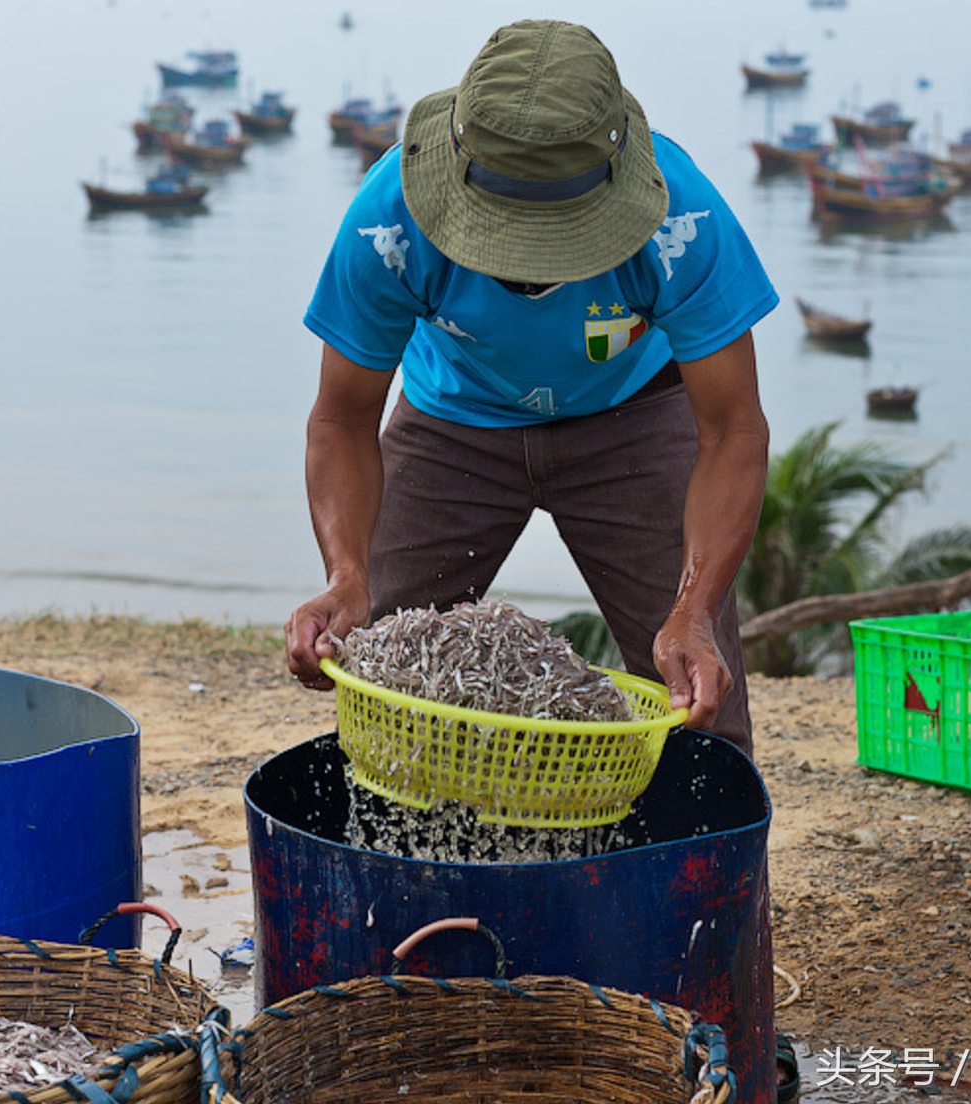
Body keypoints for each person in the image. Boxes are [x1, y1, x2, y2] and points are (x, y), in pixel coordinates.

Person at [283, 18, 777, 755]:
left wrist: (695, 606)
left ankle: (701, 868)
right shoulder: (389, 222)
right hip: (452, 418)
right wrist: (345, 571)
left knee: (697, 699)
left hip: (632, 416)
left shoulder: (683, 218)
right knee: (385, 668)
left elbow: (734, 430)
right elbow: (343, 420)